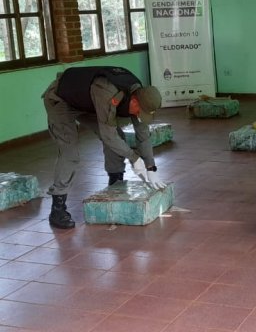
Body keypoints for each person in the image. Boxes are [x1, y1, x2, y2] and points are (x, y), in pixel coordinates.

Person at [42, 66, 167, 229]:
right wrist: (135, 159)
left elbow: (143, 135)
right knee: (70, 153)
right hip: (62, 101)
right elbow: (108, 136)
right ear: (134, 100)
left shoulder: (140, 96)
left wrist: (151, 167)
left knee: (118, 138)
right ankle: (57, 208)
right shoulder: (108, 91)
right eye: (139, 111)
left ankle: (115, 186)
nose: (139, 115)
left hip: (88, 103)